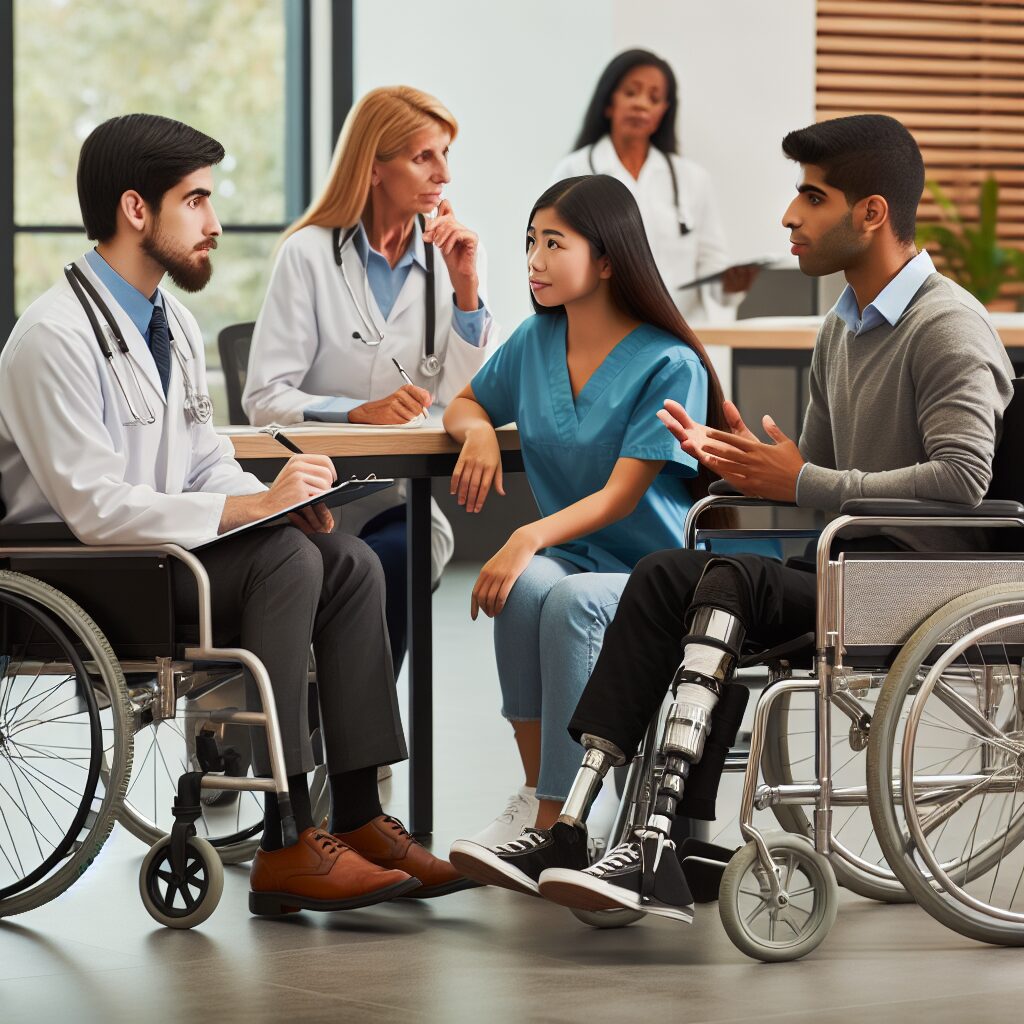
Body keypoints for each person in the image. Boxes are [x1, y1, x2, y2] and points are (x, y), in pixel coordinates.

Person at [453, 114, 1015, 922]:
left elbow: (964, 480)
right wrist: (745, 461)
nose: (789, 216)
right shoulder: (843, 327)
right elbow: (813, 479)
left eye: (810, 197)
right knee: (664, 575)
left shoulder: (947, 325)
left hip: (909, 583)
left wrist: (804, 477)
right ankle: (573, 822)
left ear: (872, 214)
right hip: (846, 565)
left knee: (724, 581)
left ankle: (665, 837)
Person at [0, 113, 470, 916]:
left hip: (160, 559)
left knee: (347, 560)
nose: (214, 224)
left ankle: (356, 817)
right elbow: (94, 507)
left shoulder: (171, 323)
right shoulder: (51, 337)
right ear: (136, 210)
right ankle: (288, 838)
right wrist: (247, 509)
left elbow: (202, 454)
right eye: (197, 202)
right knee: (287, 562)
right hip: (91, 574)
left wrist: (284, 497)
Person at [442, 175, 771, 863]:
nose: (533, 259)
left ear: (608, 258)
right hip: (577, 556)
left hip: (658, 573)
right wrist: (475, 430)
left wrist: (527, 534)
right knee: (525, 589)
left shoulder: (669, 361)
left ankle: (573, 822)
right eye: (530, 241)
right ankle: (538, 800)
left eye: (553, 243)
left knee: (563, 598)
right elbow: (466, 402)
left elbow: (624, 497)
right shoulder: (536, 340)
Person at [244, 86, 497, 674]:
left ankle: (358, 748)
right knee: (352, 566)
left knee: (401, 557)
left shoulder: (448, 256)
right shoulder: (306, 255)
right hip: (309, 496)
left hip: (398, 497)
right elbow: (263, 400)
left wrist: (465, 289)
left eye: (445, 155)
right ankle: (337, 740)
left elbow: (473, 393)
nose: (443, 175)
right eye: (424, 156)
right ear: (375, 166)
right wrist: (355, 413)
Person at [553, 49, 759, 326]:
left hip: (674, 334)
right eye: (631, 92)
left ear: (664, 111)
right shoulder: (575, 171)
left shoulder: (692, 179)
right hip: (601, 331)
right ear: (608, 103)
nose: (641, 105)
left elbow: (712, 269)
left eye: (654, 98)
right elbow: (557, 258)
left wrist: (730, 285)